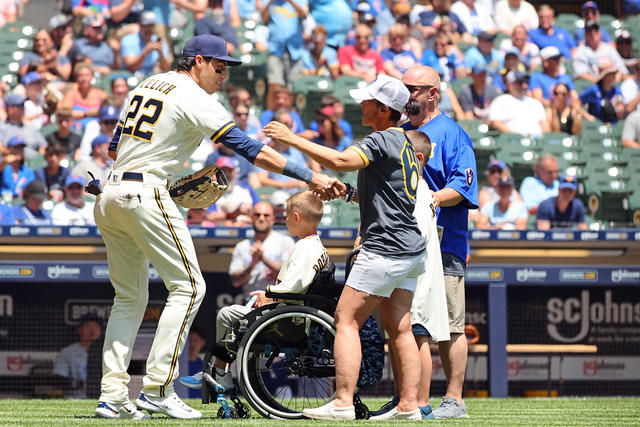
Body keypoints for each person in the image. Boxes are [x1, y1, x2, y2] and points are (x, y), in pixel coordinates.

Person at [93, 34, 342, 420]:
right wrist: (309, 176)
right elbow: (252, 150)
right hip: (146, 192)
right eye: (219, 67)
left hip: (110, 192)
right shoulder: (196, 98)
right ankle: (158, 388)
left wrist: (173, 170)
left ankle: (111, 395)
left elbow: (114, 148)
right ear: (197, 62)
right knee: (190, 287)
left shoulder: (145, 84)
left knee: (128, 297)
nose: (224, 76)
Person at [265, 75, 427, 421]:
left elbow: (339, 161)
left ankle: (342, 402)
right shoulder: (404, 143)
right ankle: (410, 406)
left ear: (384, 110)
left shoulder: (382, 139)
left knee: (346, 319)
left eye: (367, 101)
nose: (360, 105)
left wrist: (292, 139)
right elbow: (387, 196)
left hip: (386, 247)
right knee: (399, 326)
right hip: (411, 248)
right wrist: (350, 194)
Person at [179, 190, 329, 390]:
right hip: (287, 312)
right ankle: (219, 369)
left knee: (226, 314)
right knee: (234, 317)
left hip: (287, 319)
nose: (283, 219)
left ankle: (220, 372)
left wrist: (268, 295)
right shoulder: (314, 246)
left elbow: (295, 286)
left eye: (285, 215)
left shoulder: (304, 247)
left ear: (296, 217)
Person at [400, 65, 478, 419]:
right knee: (409, 324)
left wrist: (432, 198)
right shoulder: (399, 132)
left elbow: (463, 185)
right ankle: (412, 400)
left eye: (414, 89)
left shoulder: (452, 133)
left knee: (448, 325)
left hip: (445, 243)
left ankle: (454, 399)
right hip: (404, 242)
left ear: (433, 93)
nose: (408, 95)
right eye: (404, 88)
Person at [228, 201, 295, 296]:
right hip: (250, 301)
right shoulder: (242, 246)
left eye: (266, 215)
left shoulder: (285, 242)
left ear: (273, 219)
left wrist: (263, 258)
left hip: (276, 301)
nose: (261, 218)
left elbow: (289, 274)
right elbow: (235, 281)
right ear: (251, 218)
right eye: (257, 215)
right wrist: (252, 264)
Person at [53, 315, 103, 398]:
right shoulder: (67, 352)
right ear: (80, 330)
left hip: (100, 400)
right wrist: (80, 383)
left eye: (96, 327)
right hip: (74, 399)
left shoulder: (107, 353)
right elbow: (58, 380)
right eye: (88, 326)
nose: (92, 330)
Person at [489, 71, 549, 137]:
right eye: (520, 82)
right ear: (510, 85)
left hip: (538, 143)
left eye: (526, 82)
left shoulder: (535, 103)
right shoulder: (500, 101)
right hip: (513, 143)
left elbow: (544, 125)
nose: (525, 85)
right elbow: (496, 123)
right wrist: (516, 137)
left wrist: (545, 139)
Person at [57, 63, 108, 132]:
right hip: (76, 130)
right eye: (81, 76)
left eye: (87, 75)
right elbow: (65, 113)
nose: (84, 78)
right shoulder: (72, 94)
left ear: (92, 77)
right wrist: (87, 114)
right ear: (76, 78)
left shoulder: (100, 94)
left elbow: (107, 112)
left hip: (97, 131)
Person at [205, 157, 255, 226]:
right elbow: (209, 216)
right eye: (223, 171)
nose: (227, 175)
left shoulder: (247, 190)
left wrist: (250, 211)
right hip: (220, 230)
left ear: (236, 173)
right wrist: (234, 213)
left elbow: (258, 211)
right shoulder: (212, 193)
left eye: (230, 171)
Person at [120, 11, 172, 77]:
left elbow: (166, 69)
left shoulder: (159, 41)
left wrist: (160, 53)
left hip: (150, 78)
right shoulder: (128, 39)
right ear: (140, 25)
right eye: (146, 26)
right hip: (131, 77)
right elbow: (131, 67)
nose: (149, 29)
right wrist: (145, 51)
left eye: (151, 26)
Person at [0, 93, 47, 160]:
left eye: (23, 105)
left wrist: (38, 160)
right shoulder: (2, 127)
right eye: (20, 106)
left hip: (34, 164)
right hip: (11, 165)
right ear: (10, 109)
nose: (23, 108)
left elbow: (43, 146)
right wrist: (16, 155)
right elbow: (1, 148)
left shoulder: (31, 126)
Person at [579, 60, 625, 124]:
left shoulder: (617, 91)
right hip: (596, 127)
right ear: (604, 76)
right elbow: (576, 102)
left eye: (614, 73)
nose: (614, 75)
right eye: (611, 74)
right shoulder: (594, 90)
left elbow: (620, 113)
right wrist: (587, 116)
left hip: (613, 126)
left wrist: (620, 112)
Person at [0, 135, 35, 200]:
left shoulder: (27, 171)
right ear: (8, 148)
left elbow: (31, 190)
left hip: (19, 204)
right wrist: (5, 162)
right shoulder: (2, 163)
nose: (19, 151)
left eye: (21, 148)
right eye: (16, 147)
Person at [184, 326, 206, 399]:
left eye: (195, 340)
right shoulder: (178, 365)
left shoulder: (204, 366)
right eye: (189, 340)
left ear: (203, 343)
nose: (192, 344)